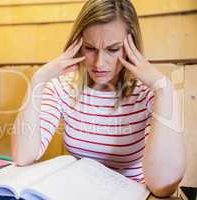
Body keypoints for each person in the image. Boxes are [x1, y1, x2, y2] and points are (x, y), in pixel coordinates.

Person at [11, 0, 185, 197]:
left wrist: (165, 90)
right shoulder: (61, 88)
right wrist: (37, 81)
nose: (99, 63)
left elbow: (163, 186)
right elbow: (23, 156)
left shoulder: (148, 94)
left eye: (112, 49)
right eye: (90, 48)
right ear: (78, 44)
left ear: (131, 47)